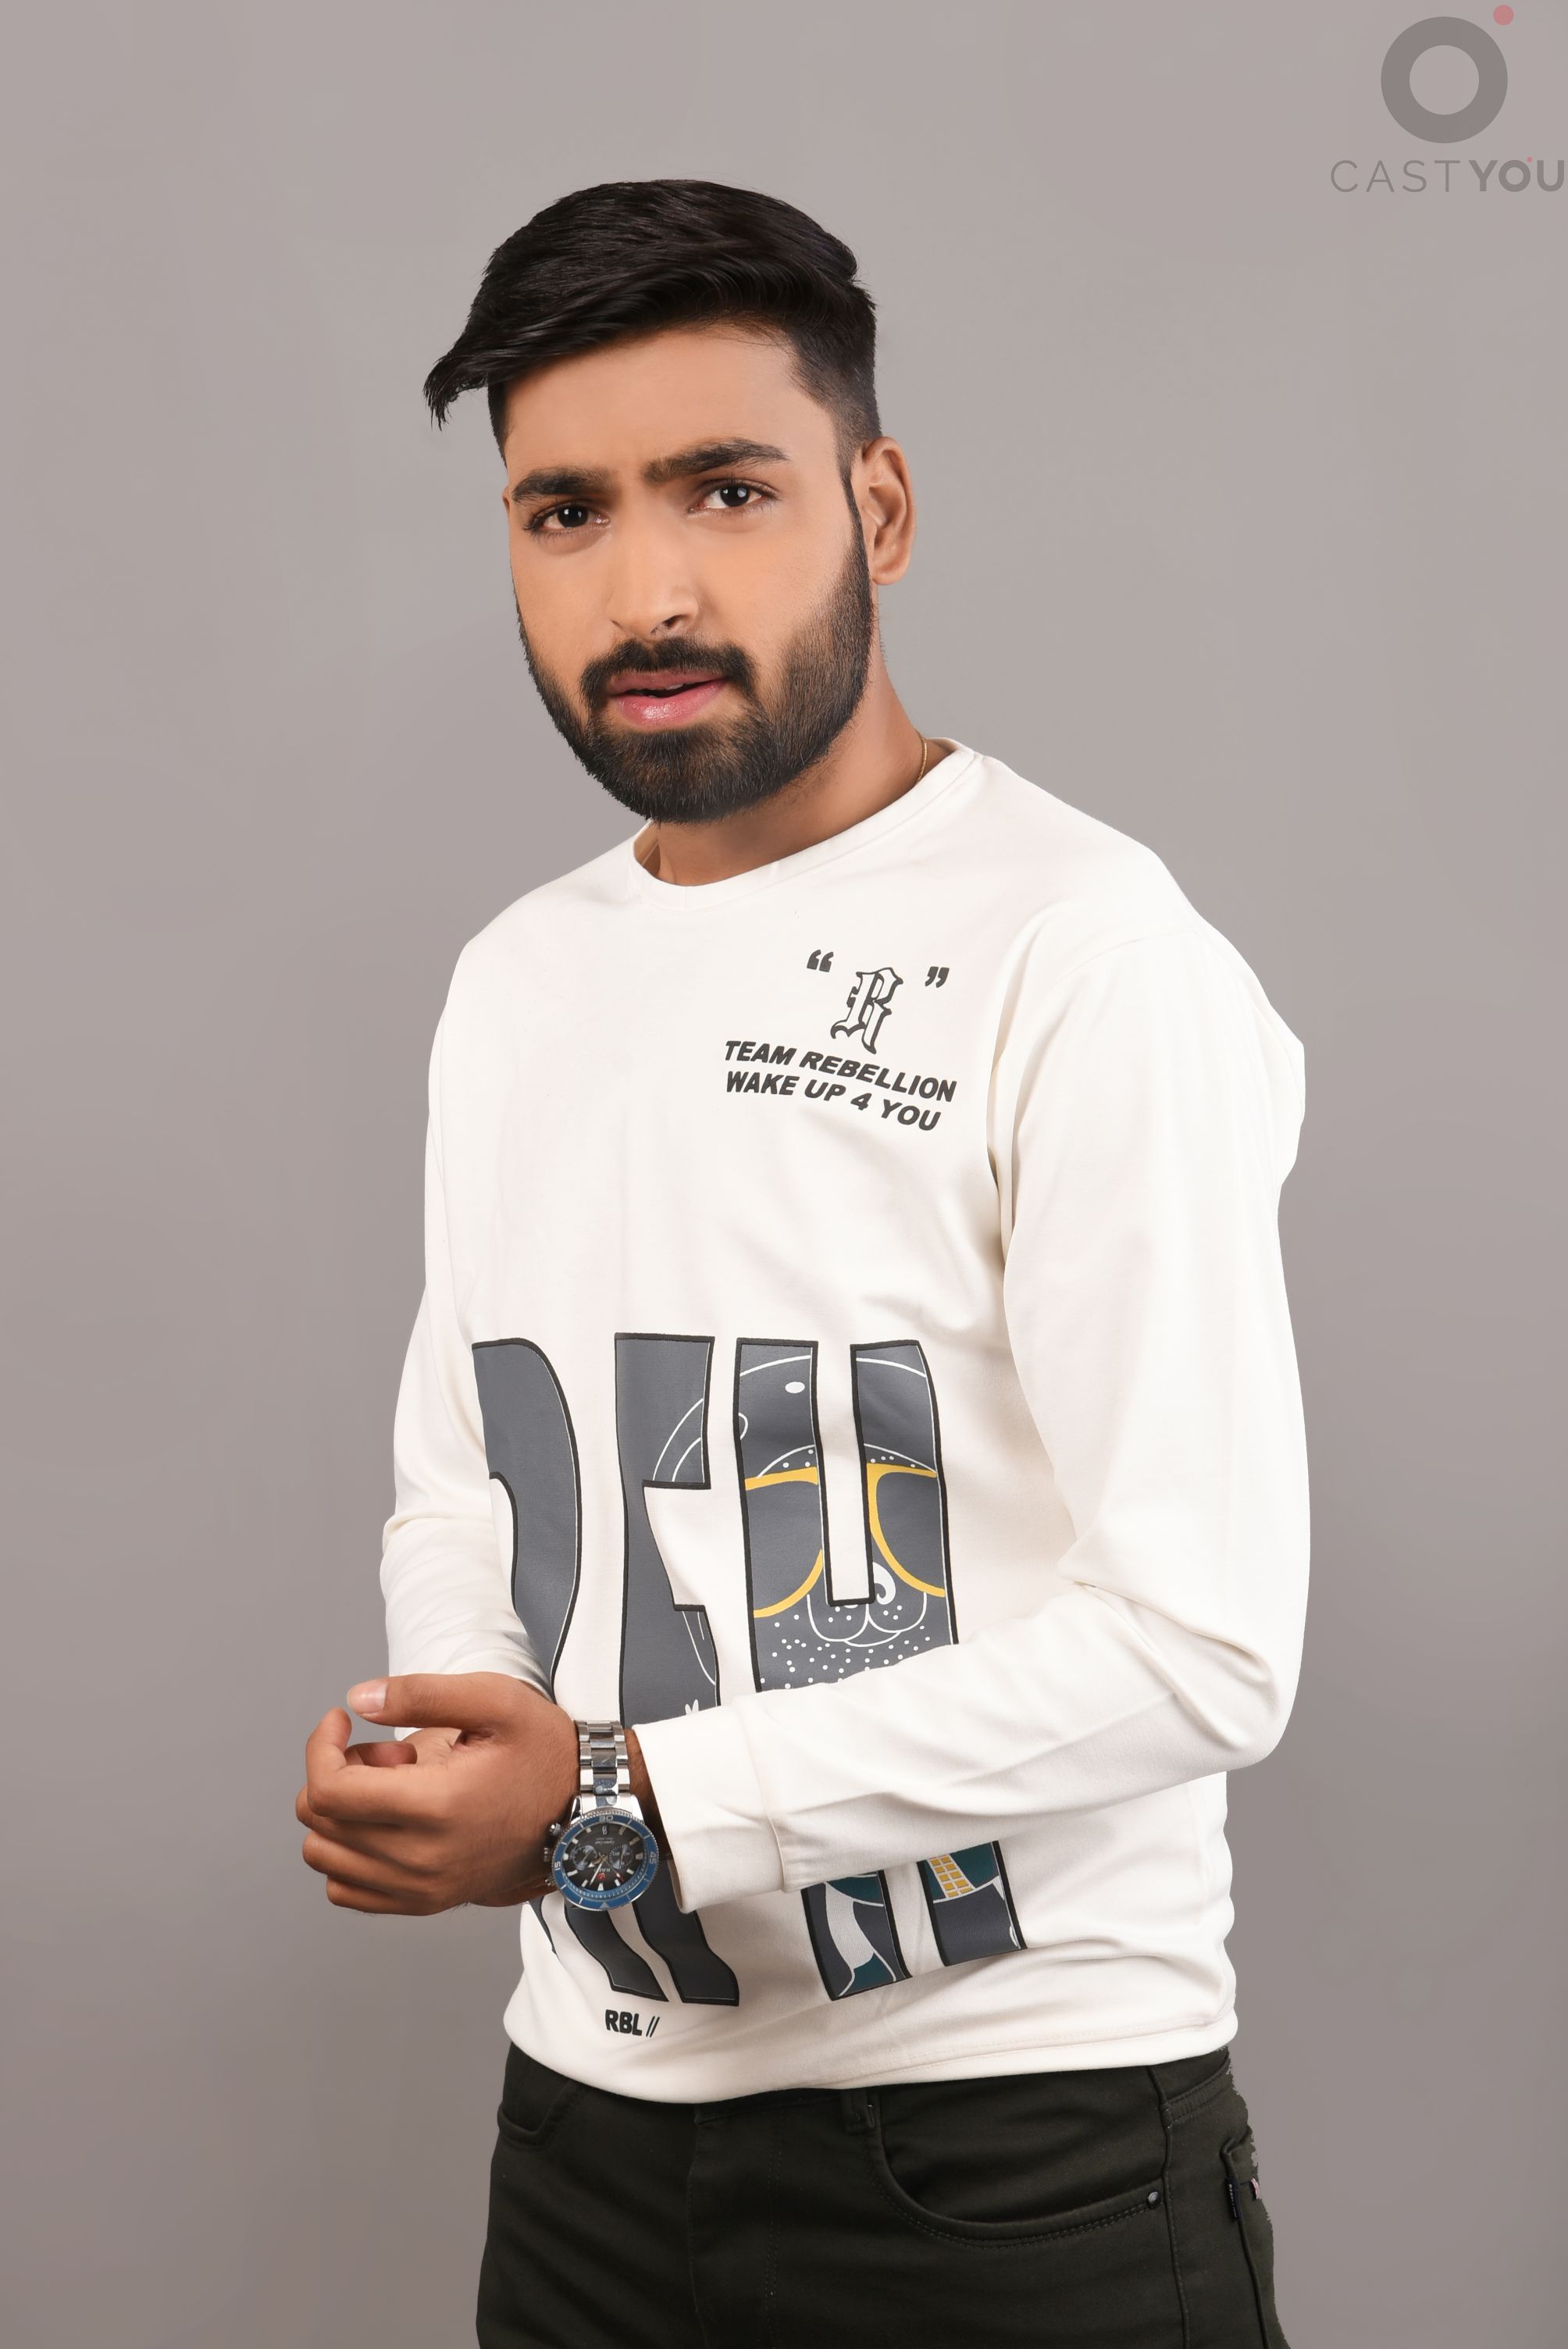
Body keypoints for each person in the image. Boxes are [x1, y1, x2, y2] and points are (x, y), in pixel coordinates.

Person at [296, 178, 1305, 2348]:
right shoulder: (518, 977)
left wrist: (607, 1801)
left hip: (1012, 2165)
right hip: (584, 2141)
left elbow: (1204, 1643)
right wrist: (468, 1728)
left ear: (881, 507)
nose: (647, 588)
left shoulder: (1085, 953)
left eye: (727, 490)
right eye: (565, 513)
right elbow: (468, 1478)